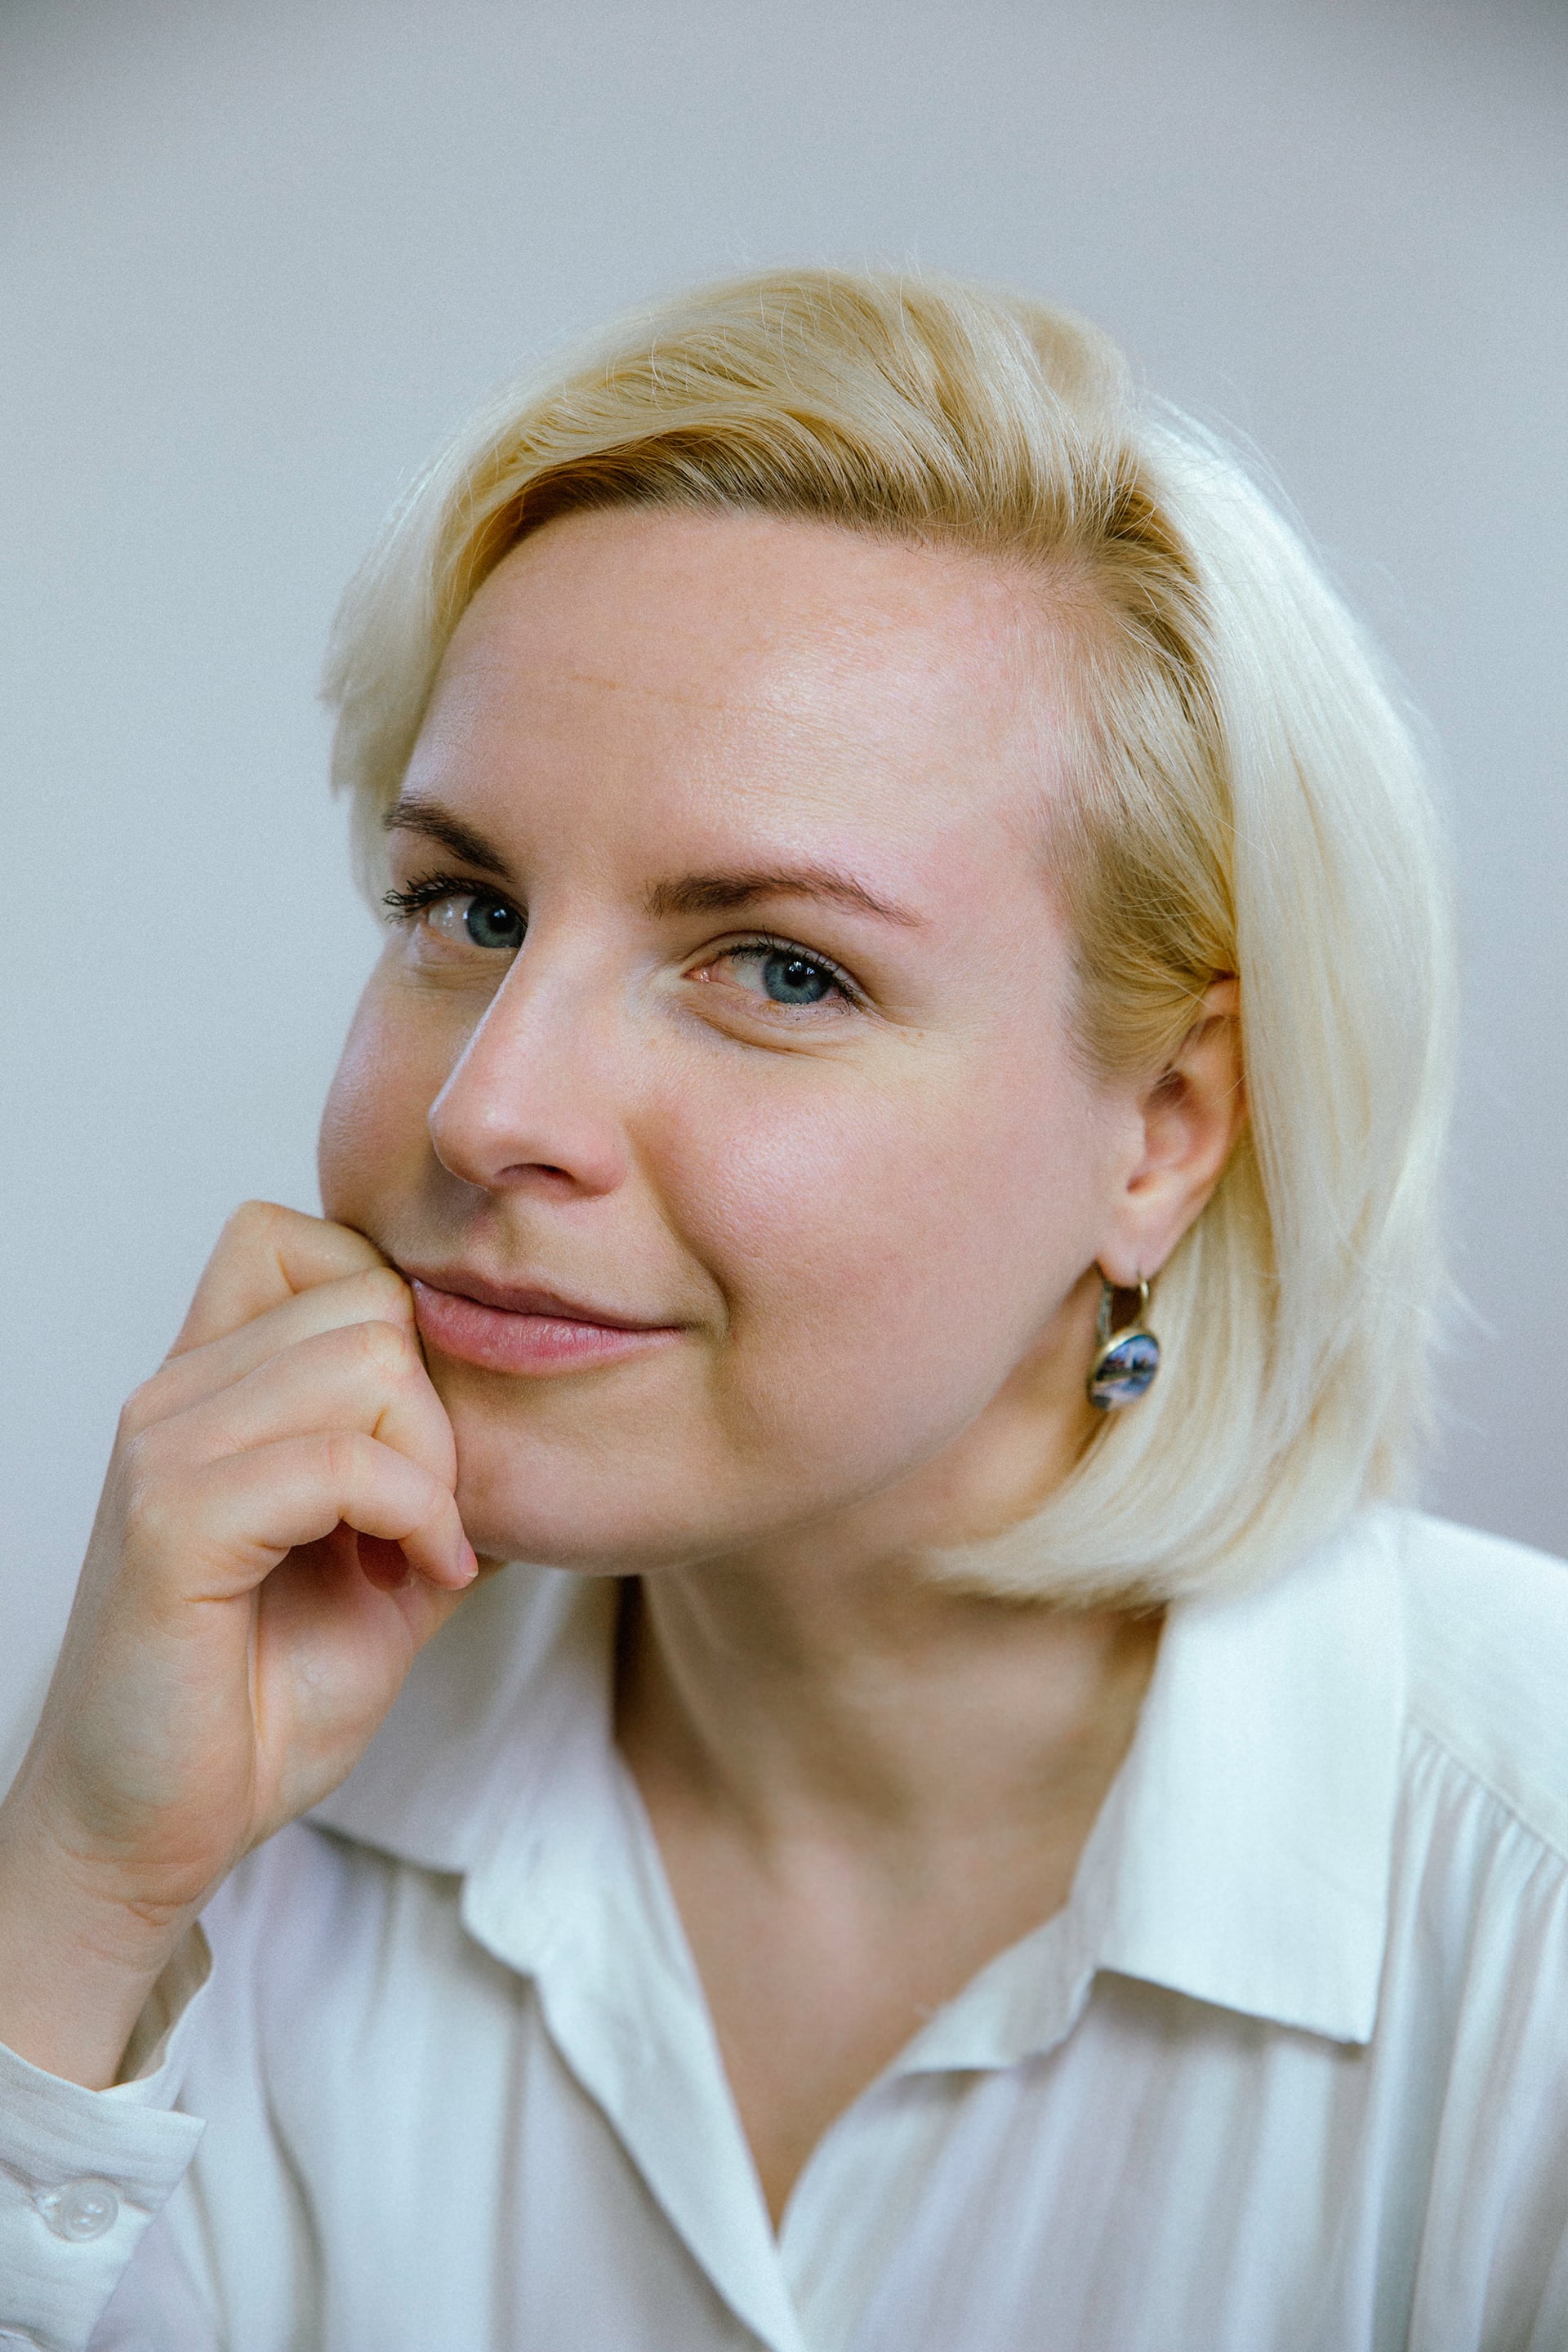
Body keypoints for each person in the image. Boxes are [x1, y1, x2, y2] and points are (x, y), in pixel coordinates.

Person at [0, 267, 1564, 2352]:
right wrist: (74, 1901)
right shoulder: (227, 1783)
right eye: (466, 908)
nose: (489, 1110)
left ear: (1168, 1129)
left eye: (781, 968)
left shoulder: (1529, 1893)